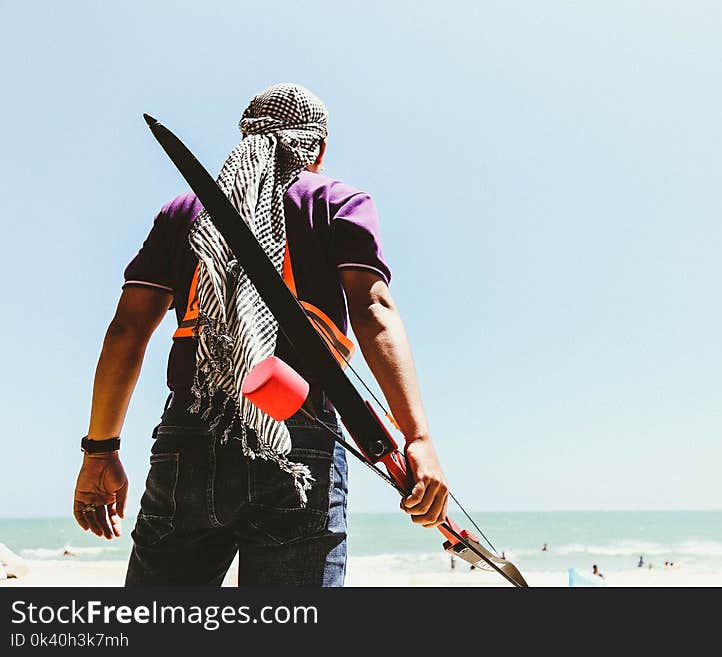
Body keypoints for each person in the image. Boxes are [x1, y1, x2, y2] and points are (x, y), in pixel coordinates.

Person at [72, 83, 448, 587]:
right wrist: (417, 438)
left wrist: (100, 451)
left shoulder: (185, 212)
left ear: (246, 136)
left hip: (190, 431)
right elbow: (373, 309)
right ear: (318, 147)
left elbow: (127, 331)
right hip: (302, 434)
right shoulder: (337, 202)